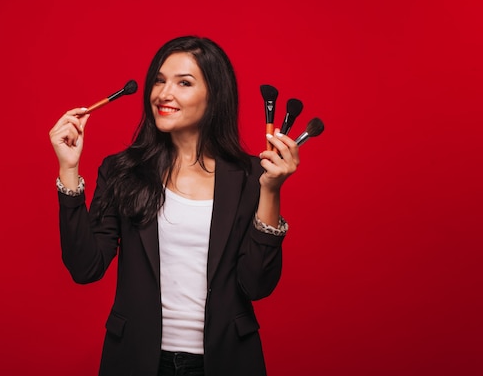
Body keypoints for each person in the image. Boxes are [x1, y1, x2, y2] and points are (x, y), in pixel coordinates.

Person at [49, 35, 300, 376]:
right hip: (137, 360)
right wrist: (68, 170)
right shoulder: (123, 170)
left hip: (228, 361)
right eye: (159, 80)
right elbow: (86, 267)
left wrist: (270, 190)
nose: (164, 93)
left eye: (184, 83)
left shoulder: (252, 175)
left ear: (214, 96)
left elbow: (257, 285)